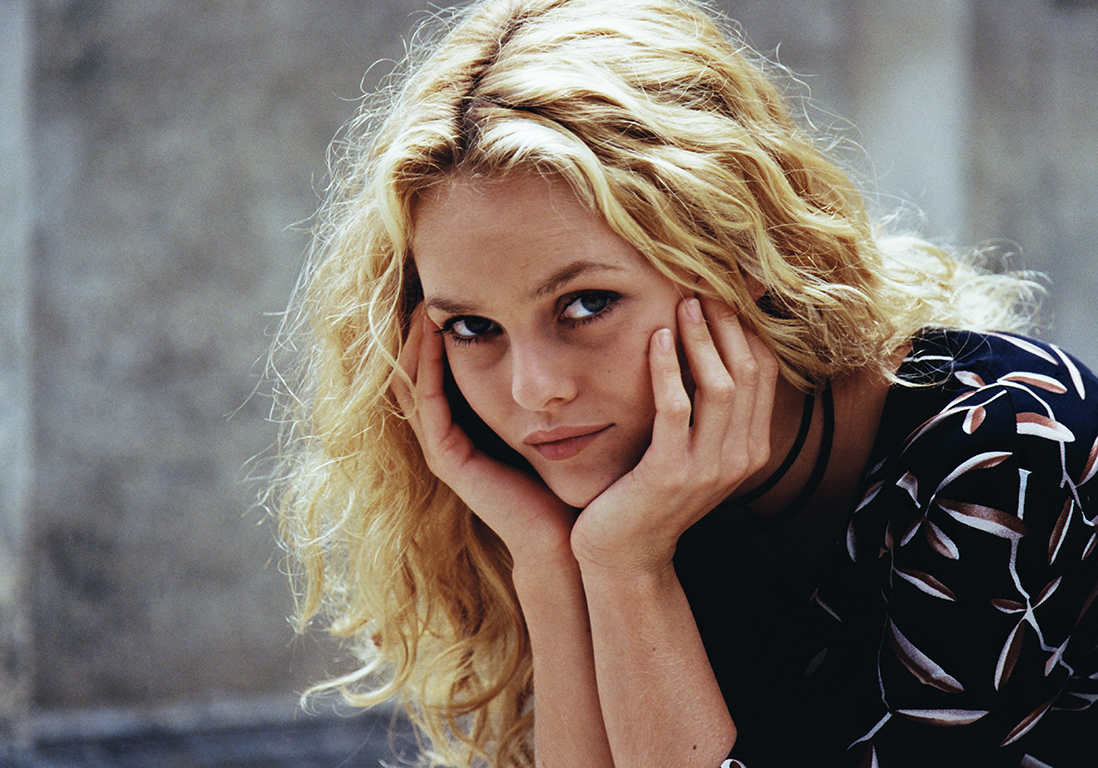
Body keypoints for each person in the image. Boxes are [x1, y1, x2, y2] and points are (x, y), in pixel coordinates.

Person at [268, 0, 1098, 765]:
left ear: (739, 254)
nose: (534, 390)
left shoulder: (1008, 450)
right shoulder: (629, 495)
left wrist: (627, 567)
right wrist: (554, 566)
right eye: (472, 328)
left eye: (586, 304)